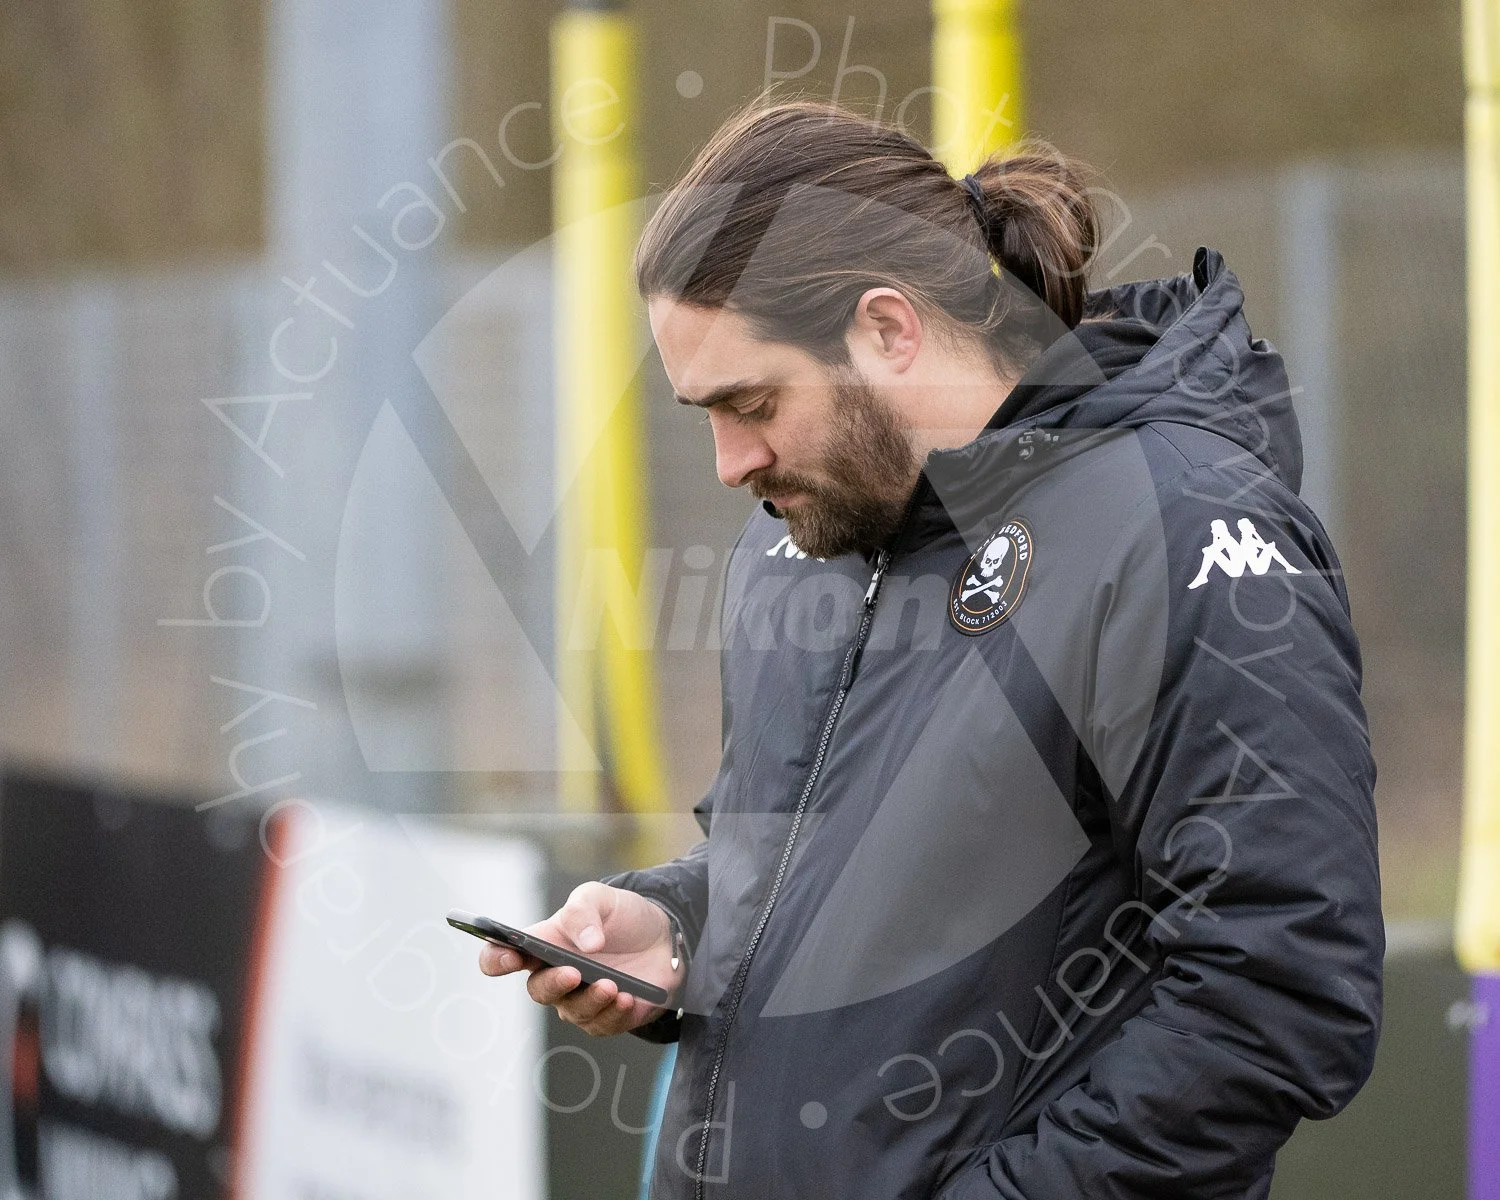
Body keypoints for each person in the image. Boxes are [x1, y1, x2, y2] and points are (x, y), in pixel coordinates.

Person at [478, 97, 1383, 1200]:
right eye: (702, 413)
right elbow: (816, 869)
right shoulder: (801, 533)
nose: (729, 462)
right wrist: (677, 926)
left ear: (889, 329)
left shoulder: (1177, 526)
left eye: (752, 402)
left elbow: (1276, 991)